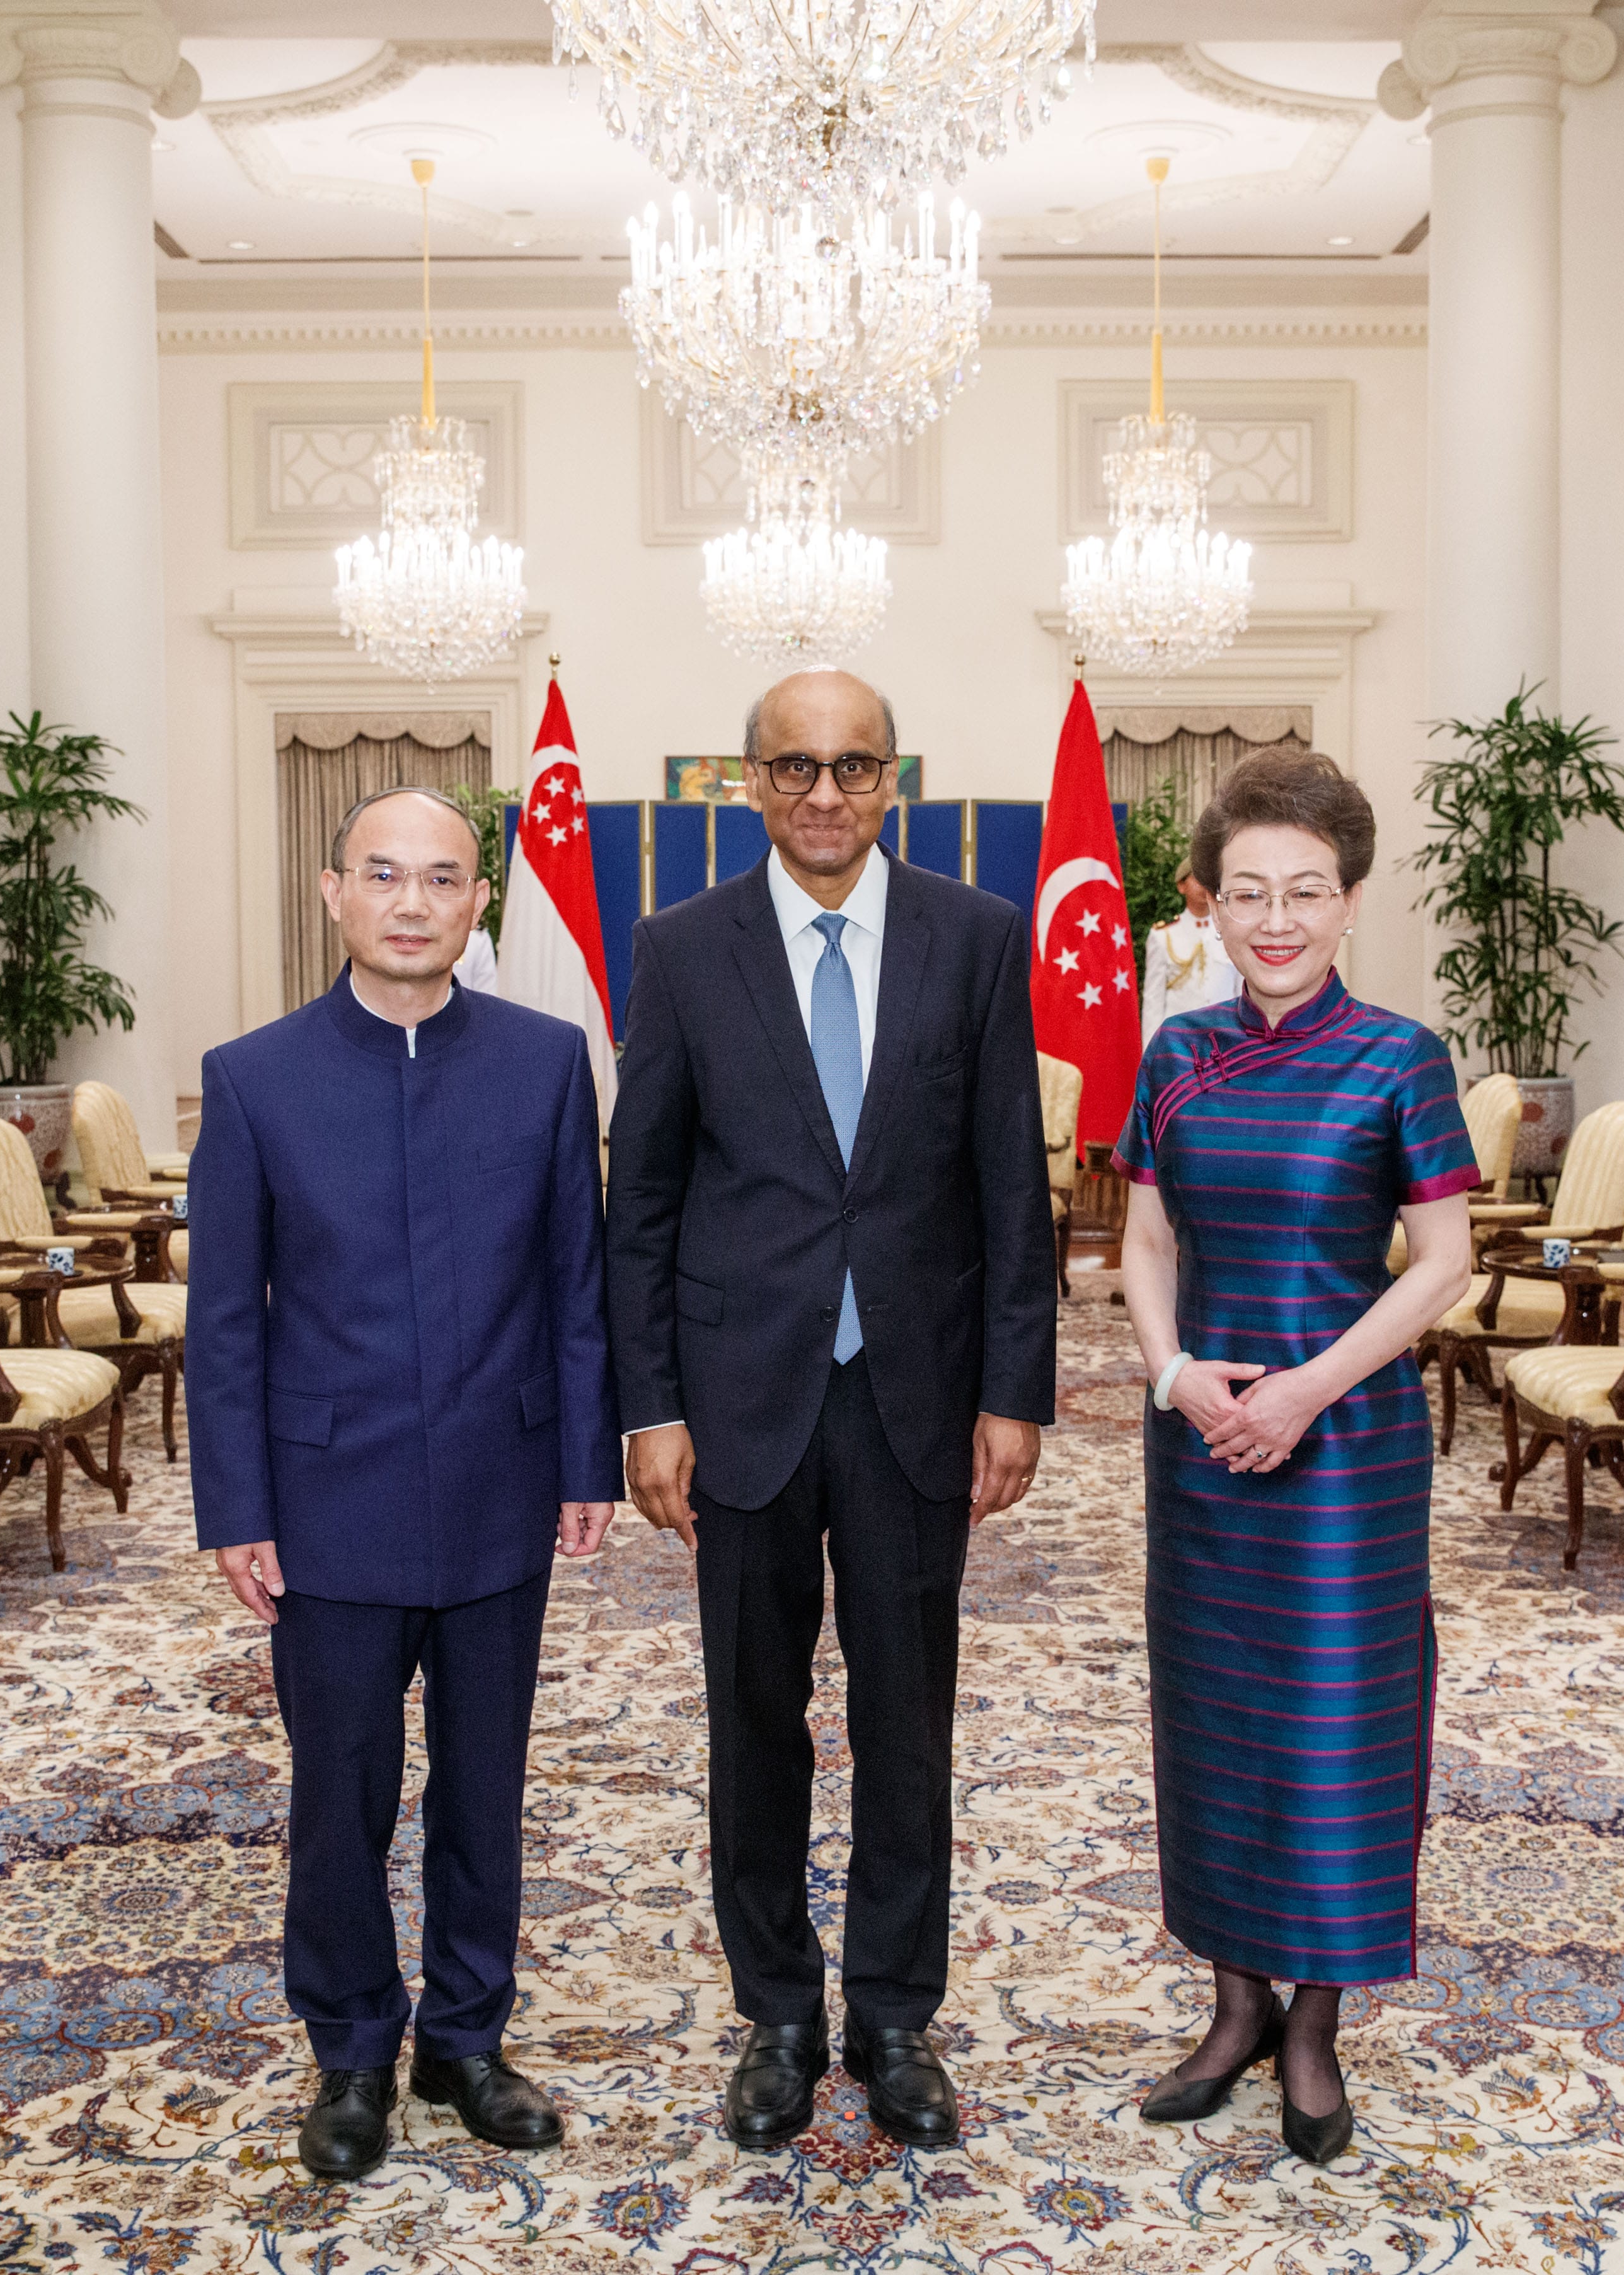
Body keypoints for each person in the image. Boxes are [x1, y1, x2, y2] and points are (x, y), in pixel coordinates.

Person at [608, 668, 1058, 2152]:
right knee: (754, 1717)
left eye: (852, 765)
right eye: (794, 767)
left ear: (891, 782)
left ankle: (891, 2010)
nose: (822, 791)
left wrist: (1014, 1387)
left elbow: (1009, 1182)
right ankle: (779, 2010)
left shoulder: (978, 941)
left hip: (914, 1396)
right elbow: (646, 1203)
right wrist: (650, 1405)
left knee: (904, 1714)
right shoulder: (677, 950)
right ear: (751, 783)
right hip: (738, 1398)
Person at [186, 786, 621, 2182]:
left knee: (484, 1787)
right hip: (327, 1503)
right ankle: (354, 2048)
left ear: (476, 902)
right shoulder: (255, 1076)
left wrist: (584, 1457)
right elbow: (229, 1321)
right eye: (386, 874)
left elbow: (576, 1282)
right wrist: (236, 1505)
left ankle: (468, 2039)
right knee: (343, 1791)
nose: (415, 901)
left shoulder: (548, 1062)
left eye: (442, 877)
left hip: (502, 1490)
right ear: (336, 893)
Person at [1112, 750, 1478, 2166]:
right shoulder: (1176, 1056)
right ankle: (1230, 2003)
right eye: (1249, 892)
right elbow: (1146, 1241)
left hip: (1343, 1451)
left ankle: (1313, 2023)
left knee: (1337, 1732)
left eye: (1306, 892)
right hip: (1205, 1436)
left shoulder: (1399, 1057)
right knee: (1213, 1721)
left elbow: (1439, 1261)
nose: (1276, 920)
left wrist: (1307, 1392)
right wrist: (1177, 1375)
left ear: (1350, 900)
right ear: (1210, 904)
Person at [1139, 865, 1240, 1038]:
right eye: (1197, 878)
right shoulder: (1163, 936)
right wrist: (1151, 1053)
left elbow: (1240, 992)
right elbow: (1153, 1001)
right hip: (1179, 1041)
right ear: (1181, 885)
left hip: (1224, 1039)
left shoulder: (1233, 933)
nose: (1204, 886)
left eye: (1209, 880)